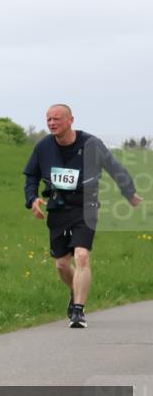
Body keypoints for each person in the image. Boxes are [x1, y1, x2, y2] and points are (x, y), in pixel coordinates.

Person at [23, 104, 142, 328]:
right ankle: (74, 289)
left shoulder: (91, 144)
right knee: (61, 264)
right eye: (48, 119)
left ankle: (78, 311)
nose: (51, 123)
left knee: (82, 256)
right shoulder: (43, 147)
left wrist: (130, 194)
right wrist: (32, 199)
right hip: (57, 208)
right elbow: (31, 176)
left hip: (85, 207)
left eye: (56, 119)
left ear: (70, 120)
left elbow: (114, 167)